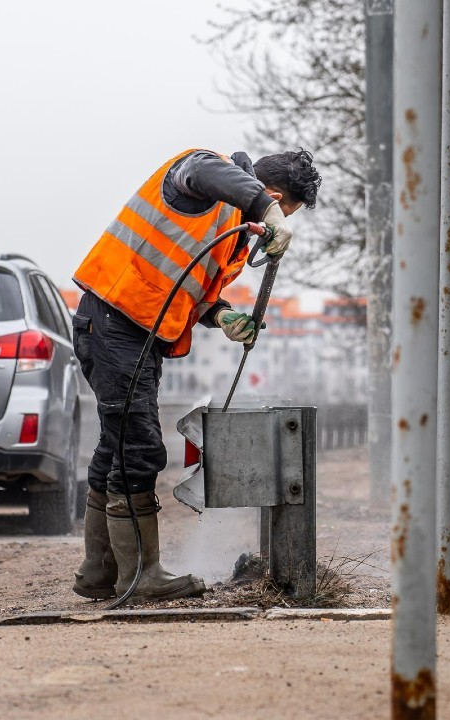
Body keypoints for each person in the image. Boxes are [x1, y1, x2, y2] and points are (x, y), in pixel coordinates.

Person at [70, 148, 321, 602]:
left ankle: (99, 571)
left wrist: (221, 316)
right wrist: (268, 212)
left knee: (118, 445)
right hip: (114, 320)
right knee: (140, 446)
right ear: (273, 195)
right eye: (286, 211)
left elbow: (192, 289)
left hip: (129, 329)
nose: (279, 223)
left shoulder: (228, 233)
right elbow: (200, 169)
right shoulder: (202, 176)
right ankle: (139, 577)